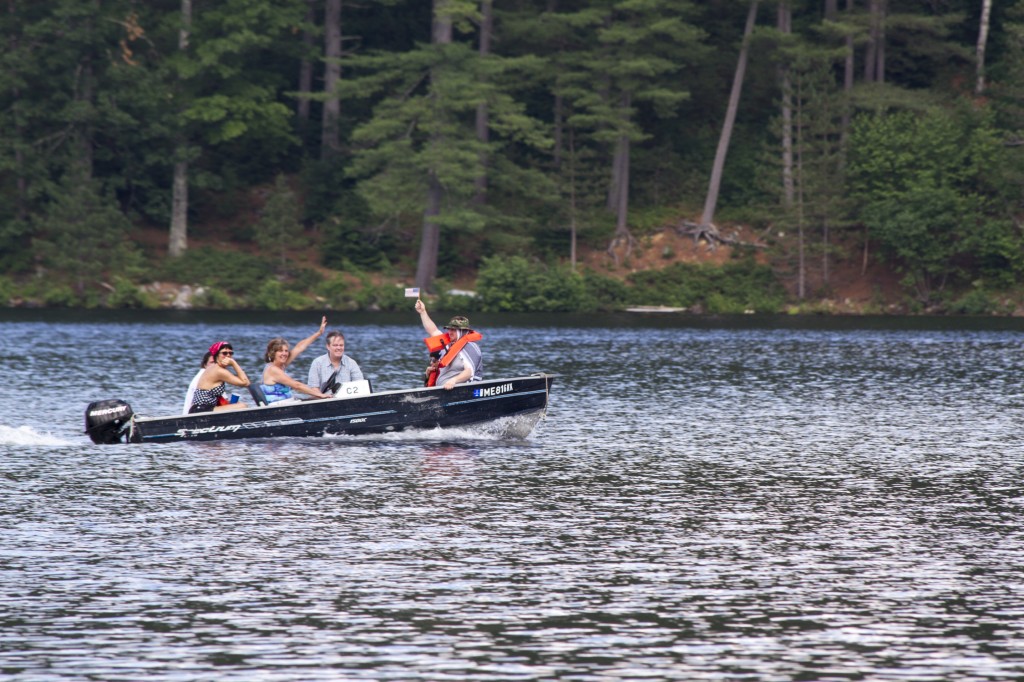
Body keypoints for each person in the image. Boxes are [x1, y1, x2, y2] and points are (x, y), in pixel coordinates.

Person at [414, 299, 483, 390]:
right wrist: (422, 312)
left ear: (463, 331)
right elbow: (433, 330)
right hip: (440, 392)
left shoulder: (470, 346)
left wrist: (453, 380)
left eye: (453, 330)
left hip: (462, 391)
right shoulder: (448, 344)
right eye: (449, 329)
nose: (450, 332)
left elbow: (469, 372)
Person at [260, 316, 331, 403]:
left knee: (316, 398)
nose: (284, 354)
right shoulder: (273, 369)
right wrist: (319, 394)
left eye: (286, 351)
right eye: (280, 351)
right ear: (273, 353)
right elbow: (296, 385)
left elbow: (299, 347)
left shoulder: (282, 365)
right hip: (277, 407)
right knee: (318, 397)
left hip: (286, 403)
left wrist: (319, 333)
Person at [189, 341, 251, 414]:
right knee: (243, 406)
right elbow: (246, 383)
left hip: (201, 408)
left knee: (237, 405)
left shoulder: (213, 367)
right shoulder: (219, 371)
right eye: (224, 353)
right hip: (201, 409)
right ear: (216, 355)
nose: (228, 356)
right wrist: (234, 363)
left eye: (230, 353)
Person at [303, 330, 364, 398]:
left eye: (341, 345)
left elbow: (360, 386)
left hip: (347, 401)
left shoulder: (352, 363)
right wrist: (324, 397)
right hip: (323, 402)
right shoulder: (317, 363)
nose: (338, 348)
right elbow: (313, 389)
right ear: (328, 346)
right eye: (335, 345)